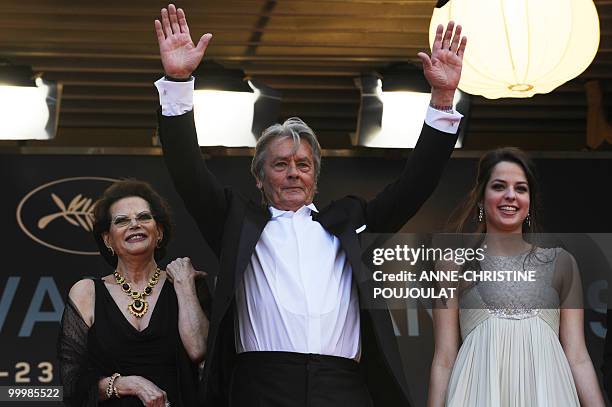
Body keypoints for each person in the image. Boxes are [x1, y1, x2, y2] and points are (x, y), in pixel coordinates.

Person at [154, 4, 467, 406]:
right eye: (280, 165)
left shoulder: (351, 221)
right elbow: (187, 173)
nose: (292, 173)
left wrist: (442, 99)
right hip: (261, 386)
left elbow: (416, 184)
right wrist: (178, 82)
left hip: (342, 386)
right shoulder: (237, 221)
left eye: (303, 165)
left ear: (315, 178)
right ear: (259, 177)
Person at [427, 147, 605, 406]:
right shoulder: (452, 267)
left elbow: (577, 356)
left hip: (549, 395)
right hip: (477, 396)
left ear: (530, 201)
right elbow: (444, 359)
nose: (510, 195)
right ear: (481, 198)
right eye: (499, 186)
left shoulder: (562, 264)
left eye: (521, 188)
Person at [57, 180, 209, 407]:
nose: (134, 224)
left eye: (144, 217)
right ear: (108, 239)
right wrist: (129, 384)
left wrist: (184, 286)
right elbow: (70, 383)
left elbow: (199, 351)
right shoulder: (86, 293)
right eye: (122, 220)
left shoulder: (186, 283)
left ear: (159, 232)